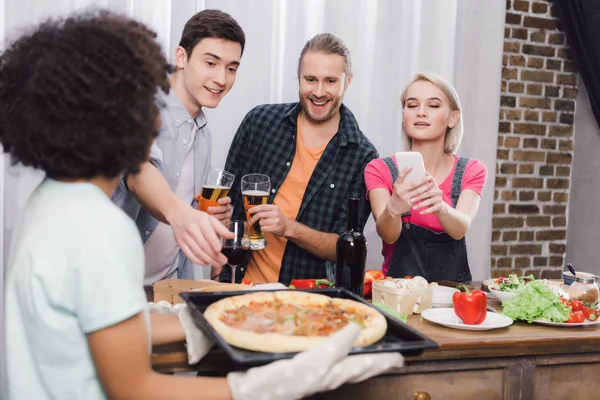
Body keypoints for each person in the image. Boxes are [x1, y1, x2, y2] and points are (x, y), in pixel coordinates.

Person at [0, 11, 405, 400]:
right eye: (147, 98)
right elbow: (133, 388)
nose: (159, 113)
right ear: (116, 117)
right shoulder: (103, 230)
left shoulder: (49, 201)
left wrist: (207, 315)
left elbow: (98, 325)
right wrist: (264, 388)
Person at [222, 33, 378, 284]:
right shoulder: (259, 123)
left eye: (330, 81)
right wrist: (217, 268)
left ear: (348, 81)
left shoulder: (363, 157)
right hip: (238, 285)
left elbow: (343, 246)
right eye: (310, 79)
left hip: (305, 302)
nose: (318, 92)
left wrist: (289, 228)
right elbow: (226, 203)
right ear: (298, 77)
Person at [111, 9, 245, 285]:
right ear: (181, 57)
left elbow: (185, 212)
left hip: (168, 287)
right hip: (119, 284)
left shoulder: (203, 134)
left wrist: (206, 217)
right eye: (211, 63)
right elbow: (137, 172)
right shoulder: (144, 109)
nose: (222, 78)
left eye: (231, 68)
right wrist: (182, 214)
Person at [364, 72, 487, 282]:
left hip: (452, 297)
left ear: (453, 118)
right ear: (404, 116)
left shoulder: (472, 170)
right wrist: (393, 208)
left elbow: (460, 229)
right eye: (412, 105)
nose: (421, 112)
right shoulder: (378, 169)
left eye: (433, 105)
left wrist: (441, 207)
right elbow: (387, 235)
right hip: (399, 293)